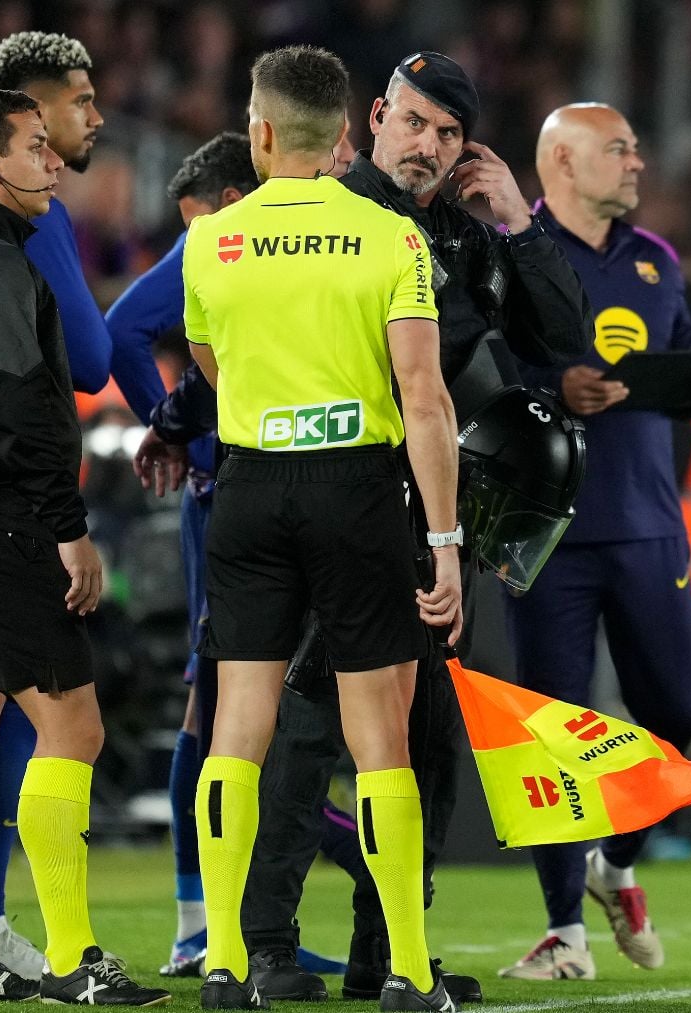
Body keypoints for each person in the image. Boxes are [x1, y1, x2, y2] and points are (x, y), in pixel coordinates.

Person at [138, 49, 589, 1004]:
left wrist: (520, 220)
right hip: (361, 501)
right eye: (416, 122)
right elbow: (406, 391)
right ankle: (267, 945)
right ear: (372, 118)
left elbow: (562, 336)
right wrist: (174, 429)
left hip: (375, 503)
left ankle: (382, 951)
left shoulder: (464, 238)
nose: (428, 145)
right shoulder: (365, 226)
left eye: (450, 132)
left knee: (416, 739)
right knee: (307, 740)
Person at [177, 45, 462, 1012]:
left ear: (258, 133)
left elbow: (210, 360)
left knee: (236, 729)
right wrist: (449, 543)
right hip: (357, 491)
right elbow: (424, 398)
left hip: (251, 485)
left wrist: (272, 415)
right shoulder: (391, 240)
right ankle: (410, 974)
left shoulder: (208, 242)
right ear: (346, 139)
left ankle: (221, 960)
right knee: (378, 734)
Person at [0, 87, 169, 1006]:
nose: (54, 160)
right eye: (33, 148)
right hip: (7, 524)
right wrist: (68, 527)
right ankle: (73, 959)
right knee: (75, 728)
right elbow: (21, 406)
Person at [107, 130, 364, 980]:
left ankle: (221, 924)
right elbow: (122, 331)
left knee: (230, 709)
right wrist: (188, 437)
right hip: (244, 494)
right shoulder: (227, 238)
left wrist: (182, 428)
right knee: (222, 706)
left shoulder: (279, 235)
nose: (193, 243)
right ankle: (206, 922)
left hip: (259, 491)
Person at [490, 102, 691, 982]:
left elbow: (660, 380)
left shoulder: (656, 259)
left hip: (645, 523)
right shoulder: (515, 254)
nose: (638, 163)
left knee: (675, 717)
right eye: (619, 149)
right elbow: (481, 368)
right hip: (546, 529)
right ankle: (565, 932)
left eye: (636, 146)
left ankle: (615, 863)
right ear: (559, 159)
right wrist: (556, 386)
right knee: (551, 734)